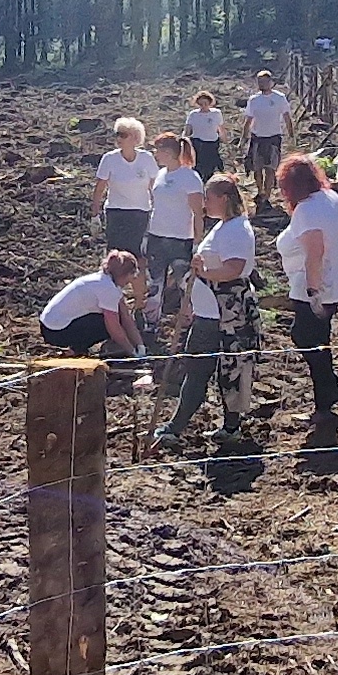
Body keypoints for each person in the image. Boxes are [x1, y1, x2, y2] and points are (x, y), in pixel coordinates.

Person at [159, 174, 261, 450]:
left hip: (224, 315)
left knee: (223, 370)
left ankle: (196, 427)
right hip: (207, 313)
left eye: (208, 197)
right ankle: (190, 426)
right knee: (202, 368)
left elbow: (234, 269)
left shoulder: (237, 230)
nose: (204, 203)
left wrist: (203, 271)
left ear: (223, 199)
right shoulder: (223, 227)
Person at [274, 154, 338, 451]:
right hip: (334, 282)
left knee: (307, 337)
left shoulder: (307, 210)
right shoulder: (330, 197)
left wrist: (313, 291)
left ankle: (328, 394)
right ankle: (326, 396)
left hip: (314, 286)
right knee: (317, 338)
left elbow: (314, 254)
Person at [38, 252, 149, 360]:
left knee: (116, 319)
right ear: (124, 274)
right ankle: (76, 350)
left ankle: (79, 348)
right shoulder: (107, 288)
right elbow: (114, 328)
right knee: (108, 324)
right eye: (132, 274)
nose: (133, 278)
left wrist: (140, 345)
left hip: (50, 324)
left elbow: (126, 317)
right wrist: (132, 352)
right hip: (55, 331)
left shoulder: (107, 281)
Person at [142, 138, 207, 319]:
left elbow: (198, 213)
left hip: (180, 240)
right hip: (157, 238)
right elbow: (155, 206)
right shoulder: (160, 174)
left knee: (184, 284)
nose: (155, 154)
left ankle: (190, 319)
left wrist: (197, 243)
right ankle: (151, 323)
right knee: (154, 284)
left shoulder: (190, 178)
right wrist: (147, 235)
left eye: (158, 150)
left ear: (168, 152)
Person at [94, 118, 161, 258]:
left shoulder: (147, 159)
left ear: (135, 137)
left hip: (140, 213)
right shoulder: (109, 159)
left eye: (123, 135)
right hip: (116, 212)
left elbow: (154, 187)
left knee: (138, 255)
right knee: (115, 255)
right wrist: (95, 214)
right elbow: (100, 188)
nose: (119, 138)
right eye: (117, 134)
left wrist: (158, 211)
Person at [242, 71, 294, 196]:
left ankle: (267, 193)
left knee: (271, 168)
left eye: (264, 81)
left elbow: (287, 116)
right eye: (259, 81)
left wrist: (291, 134)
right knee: (257, 168)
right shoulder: (254, 100)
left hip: (273, 138)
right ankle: (260, 191)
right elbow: (248, 119)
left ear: (271, 82)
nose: (262, 84)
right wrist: (243, 137)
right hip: (257, 138)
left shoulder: (279, 98)